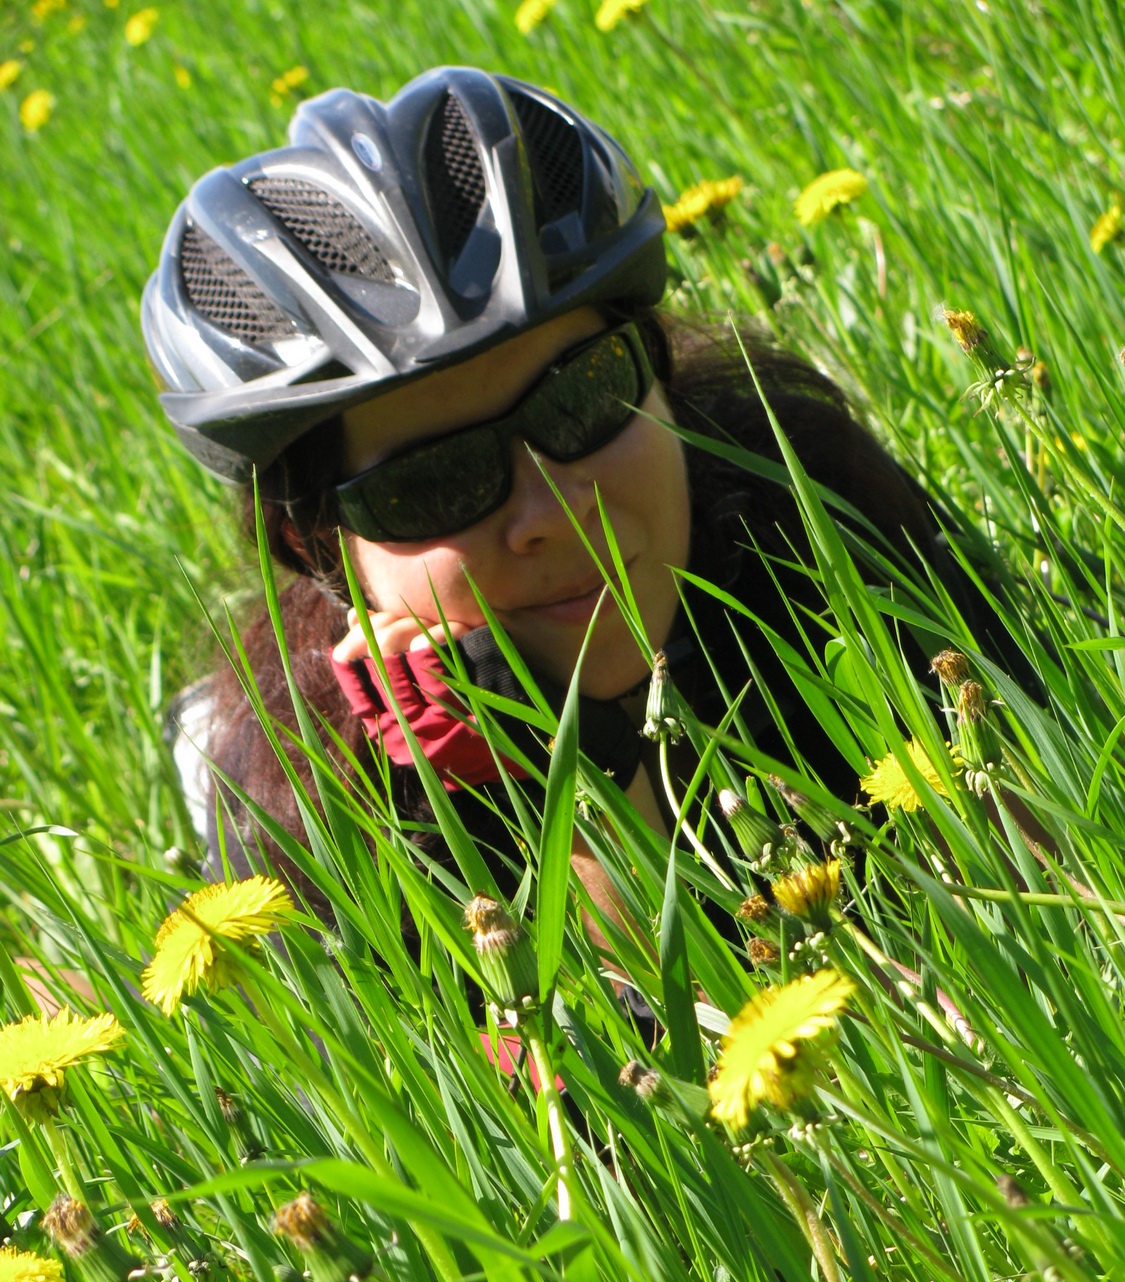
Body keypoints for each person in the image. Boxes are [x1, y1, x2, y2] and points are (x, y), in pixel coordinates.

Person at [142, 66, 973, 924]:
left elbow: (1040, 872)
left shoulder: (807, 492)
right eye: (435, 481)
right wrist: (575, 789)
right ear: (319, 549)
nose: (555, 509)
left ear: (656, 370)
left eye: (585, 396)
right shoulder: (302, 788)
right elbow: (642, 1016)